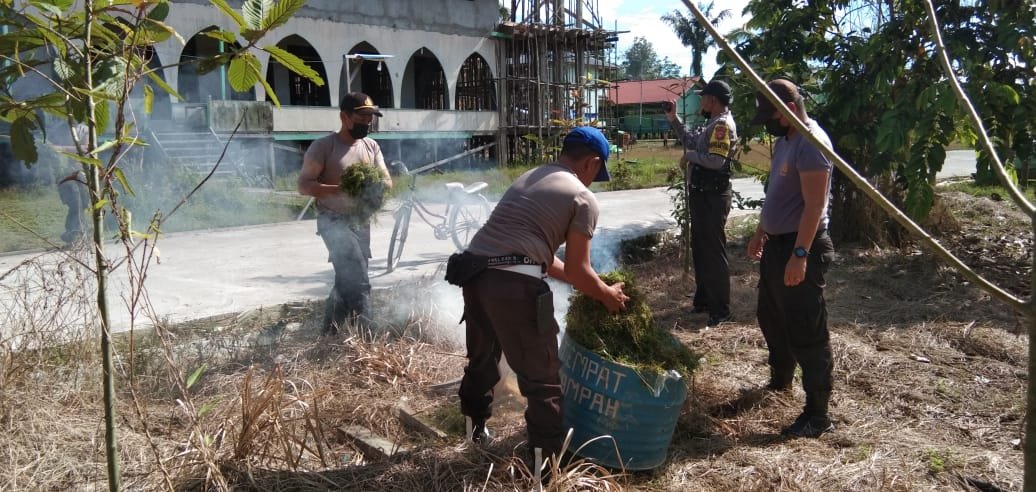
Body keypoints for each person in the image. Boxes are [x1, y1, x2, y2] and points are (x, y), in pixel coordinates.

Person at [456, 126, 629, 479]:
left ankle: (474, 432)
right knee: (544, 380)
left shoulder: (532, 177)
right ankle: (545, 474)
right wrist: (606, 294)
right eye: (598, 172)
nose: (595, 180)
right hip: (512, 286)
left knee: (483, 358)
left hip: (474, 274)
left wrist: (593, 286)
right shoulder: (582, 198)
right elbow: (581, 272)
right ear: (592, 163)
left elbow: (544, 260)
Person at [746, 79, 836, 438]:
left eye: (771, 115)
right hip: (778, 244)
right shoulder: (786, 141)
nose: (767, 122)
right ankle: (780, 380)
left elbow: (814, 205)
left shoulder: (812, 144)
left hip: (802, 247)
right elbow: (779, 196)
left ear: (788, 110)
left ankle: (818, 414)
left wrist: (800, 254)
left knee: (806, 328)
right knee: (770, 315)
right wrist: (760, 231)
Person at [298, 92, 392, 335]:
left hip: (360, 221)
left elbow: (386, 180)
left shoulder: (371, 146)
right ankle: (369, 339)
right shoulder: (323, 147)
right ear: (344, 116)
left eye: (370, 117)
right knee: (358, 280)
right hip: (333, 221)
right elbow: (304, 185)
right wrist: (342, 189)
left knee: (345, 279)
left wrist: (377, 189)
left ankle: (328, 333)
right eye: (361, 116)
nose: (367, 122)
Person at [664, 79, 738, 327]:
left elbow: (716, 161)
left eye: (703, 97)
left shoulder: (722, 126)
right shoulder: (712, 123)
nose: (701, 102)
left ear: (713, 100)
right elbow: (691, 141)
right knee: (702, 249)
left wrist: (690, 157)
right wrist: (674, 119)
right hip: (702, 194)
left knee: (713, 252)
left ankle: (721, 309)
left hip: (713, 196)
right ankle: (705, 300)